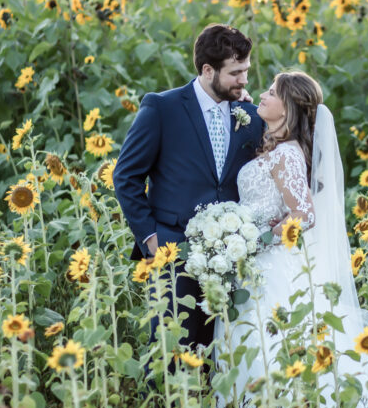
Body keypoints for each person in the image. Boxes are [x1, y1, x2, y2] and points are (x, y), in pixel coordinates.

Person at [213, 71, 368, 408]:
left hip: (274, 268)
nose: (262, 93)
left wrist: (254, 238)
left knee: (279, 354)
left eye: (272, 92)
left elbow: (304, 215)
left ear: (289, 108)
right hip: (260, 268)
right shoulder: (277, 151)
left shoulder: (288, 153)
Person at [113, 24, 264, 350]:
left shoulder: (250, 114)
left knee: (221, 358)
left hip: (231, 262)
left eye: (246, 71)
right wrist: (152, 239)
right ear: (208, 70)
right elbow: (125, 177)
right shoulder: (162, 109)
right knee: (169, 355)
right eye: (236, 72)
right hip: (172, 253)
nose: (244, 80)